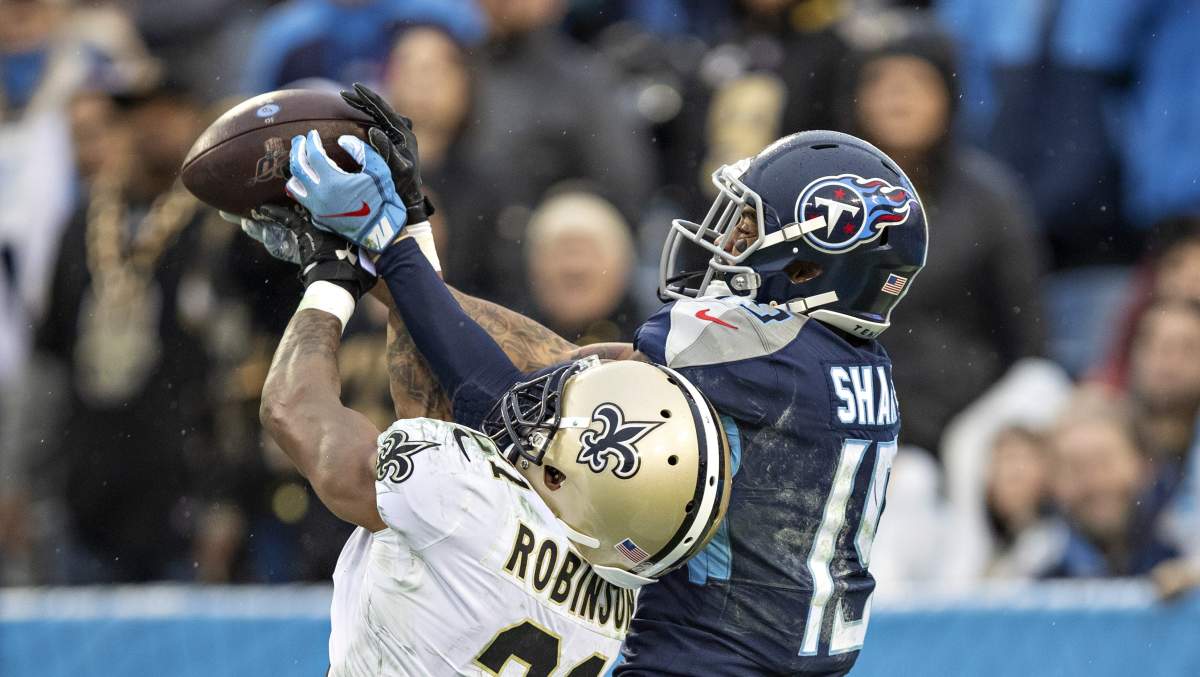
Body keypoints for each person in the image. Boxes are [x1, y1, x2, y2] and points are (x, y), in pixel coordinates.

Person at [266, 82, 927, 674]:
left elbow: (517, 400)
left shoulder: (756, 346)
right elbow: (564, 372)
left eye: (748, 227)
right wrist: (401, 252)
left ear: (810, 266)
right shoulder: (854, 369)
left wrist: (385, 253)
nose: (727, 241)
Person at [253, 204, 731, 674]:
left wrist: (331, 277)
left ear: (568, 478)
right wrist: (403, 251)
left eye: (557, 416)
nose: (544, 402)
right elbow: (522, 373)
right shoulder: (625, 591)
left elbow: (291, 409)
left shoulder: (460, 498)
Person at [832, 12, 1045, 455]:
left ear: (947, 98)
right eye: (881, 81)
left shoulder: (990, 199)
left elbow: (1028, 341)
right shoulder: (819, 195)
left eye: (916, 81)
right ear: (856, 99)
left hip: (965, 428)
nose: (899, 96)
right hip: (840, 417)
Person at [1042, 406, 1180, 578]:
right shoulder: (1036, 568)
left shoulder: (1186, 543)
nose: (1095, 483)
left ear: (1145, 465)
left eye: (1105, 463)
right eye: (1075, 469)